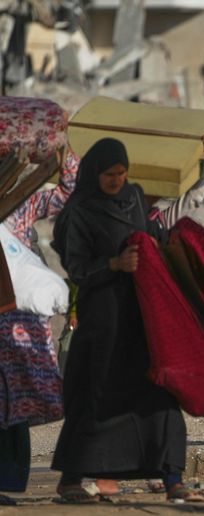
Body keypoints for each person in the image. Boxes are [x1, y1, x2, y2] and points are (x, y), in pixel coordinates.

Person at [50, 138, 204, 504]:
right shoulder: (80, 211)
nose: (117, 180)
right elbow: (75, 267)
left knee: (159, 392)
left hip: (141, 316)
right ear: (95, 173)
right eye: (109, 174)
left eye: (122, 173)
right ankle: (71, 480)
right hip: (102, 321)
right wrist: (113, 264)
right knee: (94, 395)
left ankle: (173, 479)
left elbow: (155, 231)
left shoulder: (136, 197)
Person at [0, 150, 78, 504]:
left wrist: (65, 150)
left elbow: (67, 191)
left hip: (20, 323)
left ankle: (7, 481)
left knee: (15, 402)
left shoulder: (21, 203)